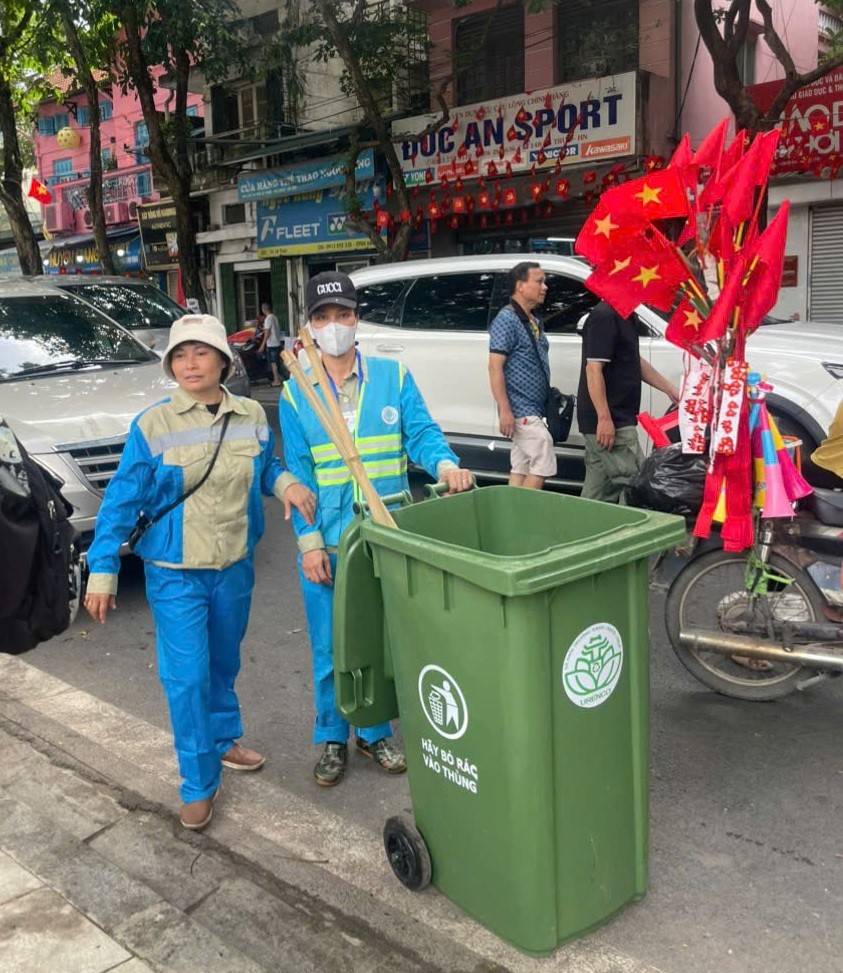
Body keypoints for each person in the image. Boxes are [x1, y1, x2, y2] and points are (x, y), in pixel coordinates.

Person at [84, 314, 316, 831]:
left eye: (201, 353)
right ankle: (198, 782)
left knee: (222, 664)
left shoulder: (253, 413)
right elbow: (122, 499)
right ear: (171, 365)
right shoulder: (154, 424)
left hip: (234, 566)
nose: (191, 364)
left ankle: (223, 738)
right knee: (186, 678)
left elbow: (267, 467)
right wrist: (101, 567)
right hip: (175, 573)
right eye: (180, 355)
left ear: (222, 361)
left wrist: (287, 486)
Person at [280, 271, 474, 787]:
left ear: (356, 319)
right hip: (331, 536)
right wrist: (309, 543)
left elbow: (423, 434)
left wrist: (445, 465)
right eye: (323, 318)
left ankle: (372, 732)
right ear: (310, 327)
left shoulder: (393, 377)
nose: (335, 325)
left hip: (387, 530)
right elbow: (298, 472)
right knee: (330, 644)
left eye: (343, 314)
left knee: (381, 637)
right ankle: (331, 737)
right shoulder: (297, 390)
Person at [577, 300, 680, 503]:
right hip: (612, 420)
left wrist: (669, 389)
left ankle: (581, 531)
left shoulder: (626, 314)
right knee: (637, 485)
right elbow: (593, 369)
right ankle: (634, 533)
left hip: (614, 417)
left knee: (598, 493)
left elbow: (633, 360)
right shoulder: (605, 316)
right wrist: (605, 418)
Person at [488, 262, 557, 489]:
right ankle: (526, 513)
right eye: (539, 281)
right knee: (542, 454)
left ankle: (512, 514)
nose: (544, 287)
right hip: (521, 409)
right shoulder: (506, 319)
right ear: (520, 286)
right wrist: (505, 411)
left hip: (532, 408)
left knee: (521, 465)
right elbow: (494, 367)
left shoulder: (533, 320)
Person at [259, 302, 283, 387]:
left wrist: (262, 345)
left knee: (273, 363)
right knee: (276, 362)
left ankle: (276, 381)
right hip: (277, 343)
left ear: (264, 310)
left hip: (272, 344)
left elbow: (268, 332)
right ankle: (276, 379)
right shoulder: (274, 317)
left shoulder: (268, 318)